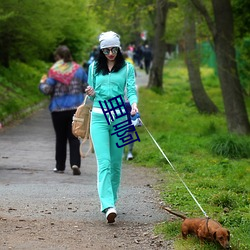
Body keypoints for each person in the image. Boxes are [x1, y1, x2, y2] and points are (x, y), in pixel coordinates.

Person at [85, 31, 139, 223]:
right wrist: (90, 92)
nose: (110, 53)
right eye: (106, 50)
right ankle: (107, 205)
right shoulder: (93, 68)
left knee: (116, 164)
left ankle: (112, 201)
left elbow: (131, 90)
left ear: (118, 48)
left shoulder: (127, 68)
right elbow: (91, 97)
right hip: (99, 118)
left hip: (120, 119)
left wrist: (133, 104)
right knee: (105, 163)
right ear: (101, 50)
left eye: (114, 49)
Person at [39, 45, 88, 175]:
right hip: (75, 109)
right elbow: (86, 87)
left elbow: (47, 90)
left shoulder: (54, 71)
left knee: (60, 138)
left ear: (58, 57)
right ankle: (75, 163)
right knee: (74, 137)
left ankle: (60, 166)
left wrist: (42, 83)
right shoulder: (79, 70)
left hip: (58, 109)